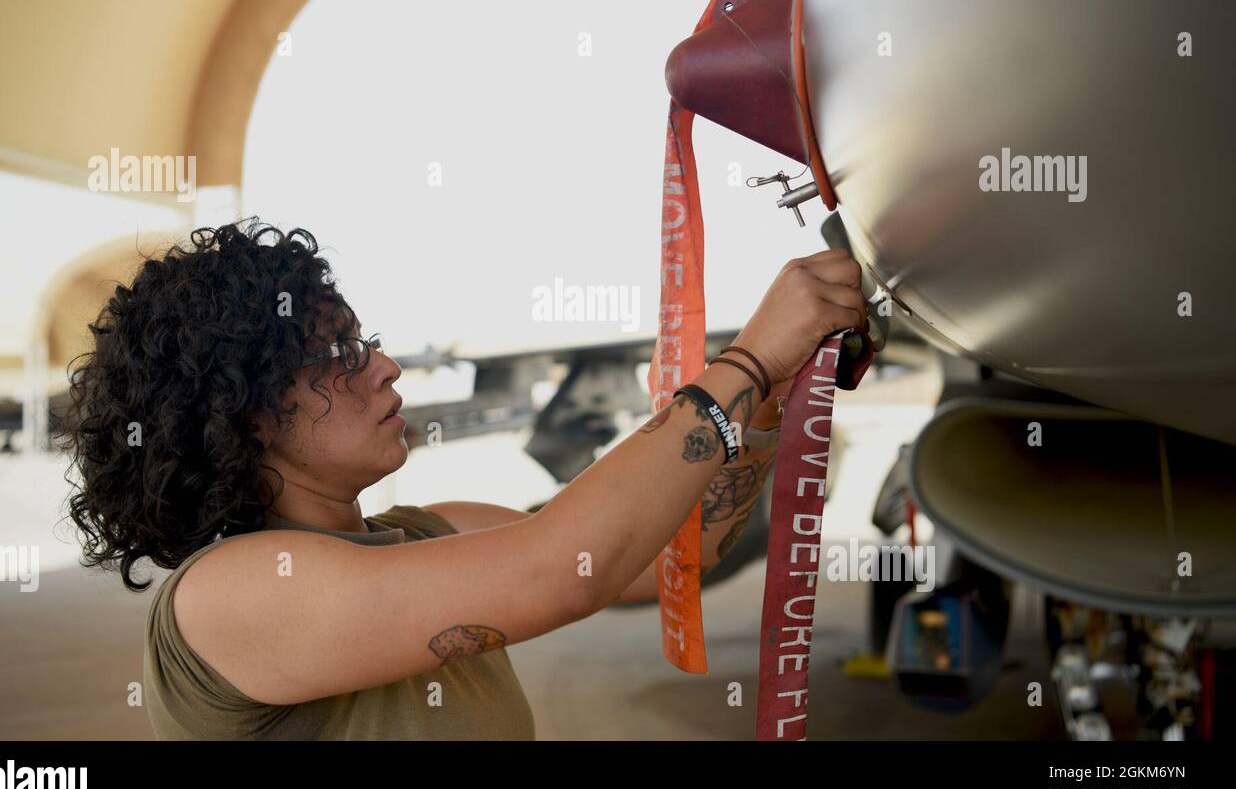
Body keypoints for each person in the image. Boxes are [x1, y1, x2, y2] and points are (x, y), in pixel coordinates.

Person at [62, 221, 867, 739]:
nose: (385, 366)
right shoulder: (227, 593)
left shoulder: (427, 533)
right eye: (338, 354)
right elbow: (561, 569)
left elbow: (657, 564)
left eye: (365, 341)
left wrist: (766, 404)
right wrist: (749, 356)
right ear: (247, 414)